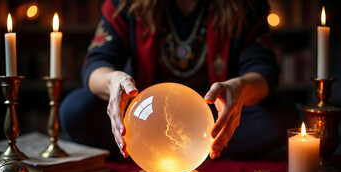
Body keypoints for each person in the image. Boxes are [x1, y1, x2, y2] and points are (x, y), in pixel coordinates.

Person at [60, 0, 299, 159]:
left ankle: (172, 152)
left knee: (283, 115)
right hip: (146, 118)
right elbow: (95, 64)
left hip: (211, 121)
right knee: (76, 109)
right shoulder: (125, 4)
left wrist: (240, 88)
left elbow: (264, 70)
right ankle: (172, 150)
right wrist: (114, 80)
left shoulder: (245, 5)